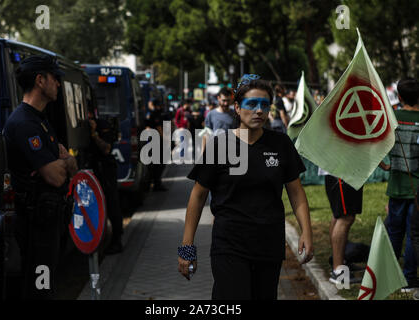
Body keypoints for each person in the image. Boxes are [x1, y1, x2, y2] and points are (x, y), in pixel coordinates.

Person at [177, 74, 314, 300]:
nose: (259, 111)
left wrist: (306, 231)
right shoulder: (219, 145)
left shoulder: (280, 144)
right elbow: (198, 196)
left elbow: (296, 193)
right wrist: (187, 246)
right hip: (229, 244)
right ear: (238, 108)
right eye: (252, 104)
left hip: (268, 244)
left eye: (264, 105)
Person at [3, 55, 78, 299]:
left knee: (45, 285)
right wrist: (63, 161)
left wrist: (64, 161)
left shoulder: (39, 120)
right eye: (54, 78)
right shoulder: (24, 123)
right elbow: (56, 177)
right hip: (37, 224)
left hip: (48, 221)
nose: (58, 83)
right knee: (39, 289)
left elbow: (70, 165)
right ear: (40, 80)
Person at [380, 77, 419, 292]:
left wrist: (383, 166)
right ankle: (410, 278)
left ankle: (391, 276)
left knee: (395, 231)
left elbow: (374, 144)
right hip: (417, 189)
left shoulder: (392, 118)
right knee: (414, 234)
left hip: (396, 185)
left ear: (400, 97)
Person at [320, 167, 363, 284]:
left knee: (338, 216)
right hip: (342, 171)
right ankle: (339, 271)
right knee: (345, 218)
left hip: (343, 171)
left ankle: (339, 262)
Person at [88, 110, 123, 254]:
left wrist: (94, 133)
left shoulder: (102, 125)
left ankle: (116, 241)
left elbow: (106, 148)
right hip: (96, 169)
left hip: (106, 169)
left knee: (112, 203)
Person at [145, 99, 168, 191]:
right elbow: (158, 127)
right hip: (157, 141)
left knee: (154, 163)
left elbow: (147, 127)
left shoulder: (149, 114)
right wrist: (165, 139)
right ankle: (157, 183)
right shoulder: (155, 114)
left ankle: (153, 183)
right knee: (159, 163)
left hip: (151, 140)